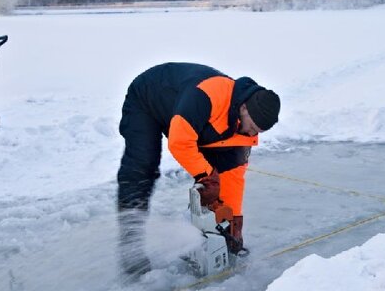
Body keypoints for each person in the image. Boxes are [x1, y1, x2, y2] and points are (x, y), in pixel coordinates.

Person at [116, 62, 280, 275]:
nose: (251, 134)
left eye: (257, 131)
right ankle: (131, 246)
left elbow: (233, 176)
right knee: (142, 165)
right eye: (252, 127)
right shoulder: (207, 96)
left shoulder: (244, 129)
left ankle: (202, 234)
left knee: (218, 173)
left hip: (187, 115)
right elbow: (180, 142)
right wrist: (207, 176)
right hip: (148, 97)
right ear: (244, 109)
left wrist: (232, 224)